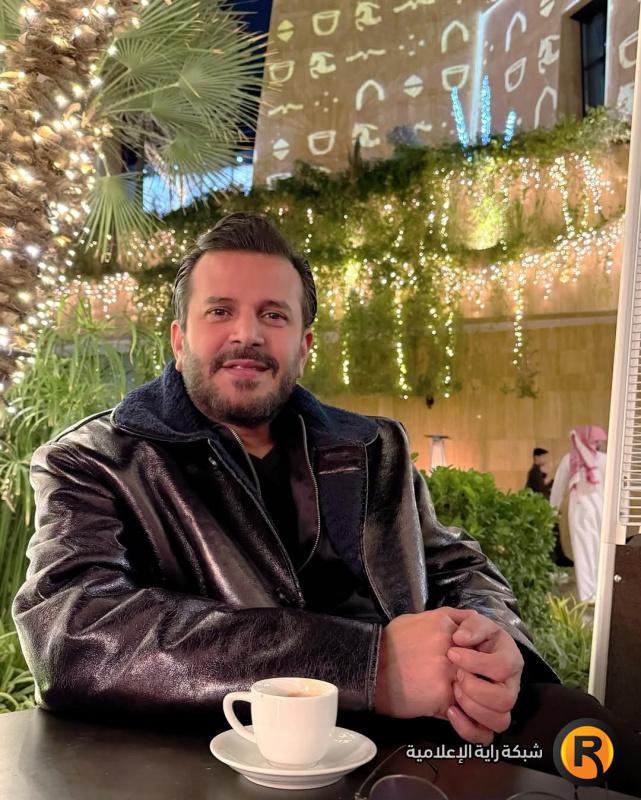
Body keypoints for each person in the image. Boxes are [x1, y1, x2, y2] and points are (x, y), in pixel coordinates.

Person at [11, 215, 641, 792]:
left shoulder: (376, 446)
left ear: (304, 344)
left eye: (273, 315)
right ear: (179, 338)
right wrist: (369, 666)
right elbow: (73, 630)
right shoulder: (95, 460)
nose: (247, 334)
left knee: (596, 738)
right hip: (227, 755)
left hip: (415, 741)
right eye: (220, 310)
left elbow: (459, 567)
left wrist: (490, 642)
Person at [550, 425, 607, 603]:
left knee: (598, 549)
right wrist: (552, 512)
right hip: (583, 509)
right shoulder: (570, 460)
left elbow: (612, 486)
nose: (597, 444)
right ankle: (589, 594)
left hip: (598, 509)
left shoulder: (603, 460)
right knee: (584, 550)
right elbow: (558, 487)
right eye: (594, 440)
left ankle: (599, 592)